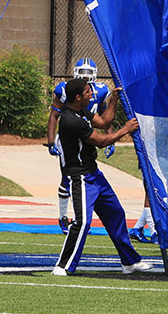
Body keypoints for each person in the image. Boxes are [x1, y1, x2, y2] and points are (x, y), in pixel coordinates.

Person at [51, 77, 149, 276]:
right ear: (78, 97)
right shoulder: (71, 120)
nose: (92, 94)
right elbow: (101, 141)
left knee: (115, 213)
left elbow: (104, 122)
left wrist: (114, 98)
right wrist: (125, 130)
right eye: (88, 92)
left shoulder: (82, 111)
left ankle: (129, 261)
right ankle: (62, 266)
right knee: (82, 222)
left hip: (94, 174)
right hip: (79, 177)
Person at [46, 57, 112, 233]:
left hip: (88, 135)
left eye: (88, 74)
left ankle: (79, 219)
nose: (85, 77)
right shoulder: (66, 89)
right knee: (68, 177)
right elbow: (54, 115)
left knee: (85, 177)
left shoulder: (101, 90)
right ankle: (63, 217)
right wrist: (51, 140)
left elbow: (105, 117)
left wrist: (110, 138)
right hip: (70, 136)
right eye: (81, 74)